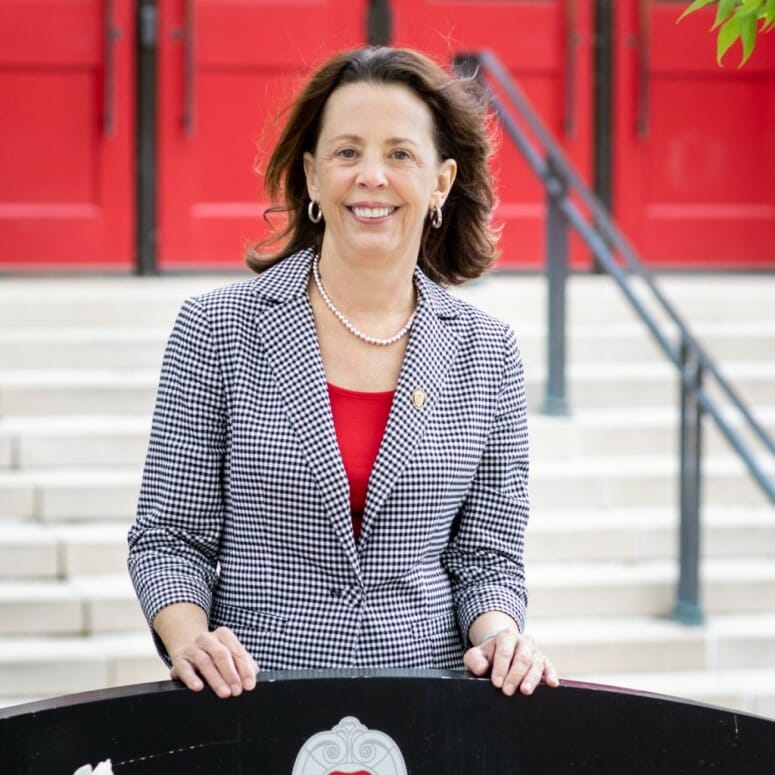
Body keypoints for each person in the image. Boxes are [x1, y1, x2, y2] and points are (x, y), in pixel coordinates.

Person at [128, 46, 558, 701]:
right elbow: (168, 536)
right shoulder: (216, 329)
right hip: (255, 699)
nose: (372, 176)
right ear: (310, 175)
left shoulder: (487, 351)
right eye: (347, 151)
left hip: (424, 704)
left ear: (441, 181)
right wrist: (190, 639)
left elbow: (486, 558)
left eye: (400, 154)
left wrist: (500, 635)